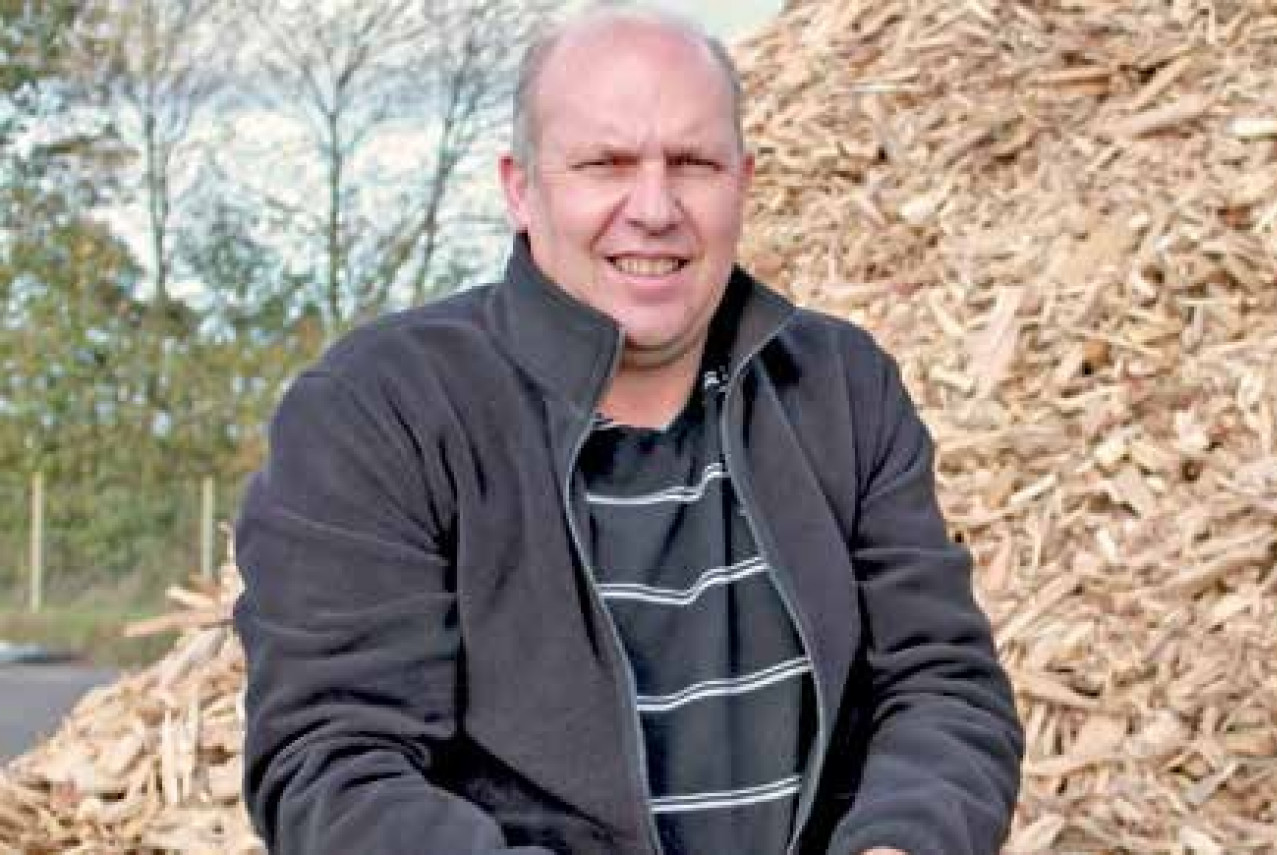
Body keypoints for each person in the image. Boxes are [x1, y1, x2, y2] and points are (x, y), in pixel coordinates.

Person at [233, 7, 1023, 855]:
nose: (654, 208)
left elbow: (943, 685)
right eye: (606, 163)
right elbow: (333, 759)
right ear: (520, 188)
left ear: (743, 181)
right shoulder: (380, 408)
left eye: (692, 163)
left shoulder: (840, 388)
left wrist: (902, 842)